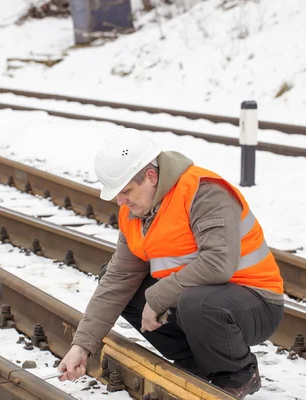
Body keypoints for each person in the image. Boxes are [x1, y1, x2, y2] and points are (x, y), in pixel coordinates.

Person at [57, 128, 284, 399]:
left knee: (195, 302)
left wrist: (158, 297)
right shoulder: (133, 213)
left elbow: (217, 263)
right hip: (199, 299)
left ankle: (239, 373)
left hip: (255, 301)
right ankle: (195, 363)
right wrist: (82, 346)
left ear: (151, 177)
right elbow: (118, 279)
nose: (121, 201)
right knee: (123, 285)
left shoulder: (204, 192)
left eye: (126, 191)